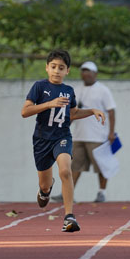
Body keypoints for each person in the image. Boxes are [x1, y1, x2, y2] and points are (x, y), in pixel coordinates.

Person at [21, 49, 105, 233]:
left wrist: (91, 111)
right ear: (46, 68)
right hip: (42, 139)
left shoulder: (68, 91)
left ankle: (69, 216)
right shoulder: (39, 86)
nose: (56, 71)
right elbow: (25, 111)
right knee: (44, 184)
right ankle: (45, 189)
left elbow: (72, 113)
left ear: (67, 71)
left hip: (62, 136)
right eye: (53, 67)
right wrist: (49, 104)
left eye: (61, 68)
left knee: (66, 170)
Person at [52, 61, 116, 203]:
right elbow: (72, 113)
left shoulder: (103, 90)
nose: (85, 74)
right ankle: (66, 194)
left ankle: (101, 193)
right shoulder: (75, 90)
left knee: (101, 166)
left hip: (98, 136)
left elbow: (111, 111)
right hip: (79, 135)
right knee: (75, 166)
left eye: (88, 71)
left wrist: (111, 132)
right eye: (83, 71)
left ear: (95, 74)